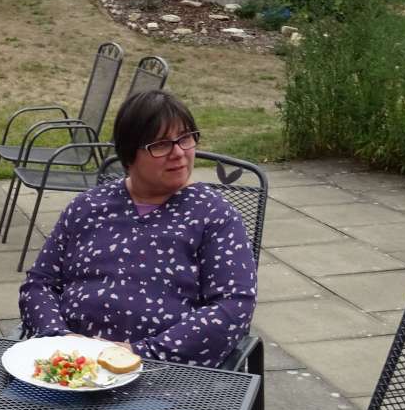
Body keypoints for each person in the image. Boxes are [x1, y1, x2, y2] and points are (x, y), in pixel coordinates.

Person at [18, 90, 257, 367]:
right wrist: (60, 340)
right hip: (69, 366)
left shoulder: (214, 216)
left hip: (163, 374)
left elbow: (232, 306)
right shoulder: (87, 207)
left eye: (185, 138)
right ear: (129, 154)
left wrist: (138, 352)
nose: (179, 153)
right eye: (161, 144)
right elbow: (40, 284)